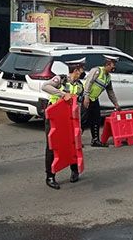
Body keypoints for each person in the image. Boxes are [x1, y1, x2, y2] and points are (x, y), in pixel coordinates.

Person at [41, 58, 85, 190]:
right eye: (82, 69)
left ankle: (74, 170)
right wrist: (62, 94)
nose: (83, 72)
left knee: (72, 143)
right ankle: (50, 176)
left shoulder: (80, 86)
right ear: (76, 70)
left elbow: (78, 106)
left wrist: (79, 125)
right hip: (54, 118)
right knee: (52, 145)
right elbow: (45, 86)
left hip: (70, 119)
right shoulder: (60, 79)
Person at [83, 55, 121, 147]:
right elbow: (88, 82)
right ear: (107, 64)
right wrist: (86, 96)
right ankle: (75, 142)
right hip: (86, 98)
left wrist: (116, 104)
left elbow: (110, 92)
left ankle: (95, 140)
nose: (114, 67)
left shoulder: (108, 77)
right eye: (112, 65)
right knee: (83, 120)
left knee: (96, 119)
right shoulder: (96, 71)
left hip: (94, 99)